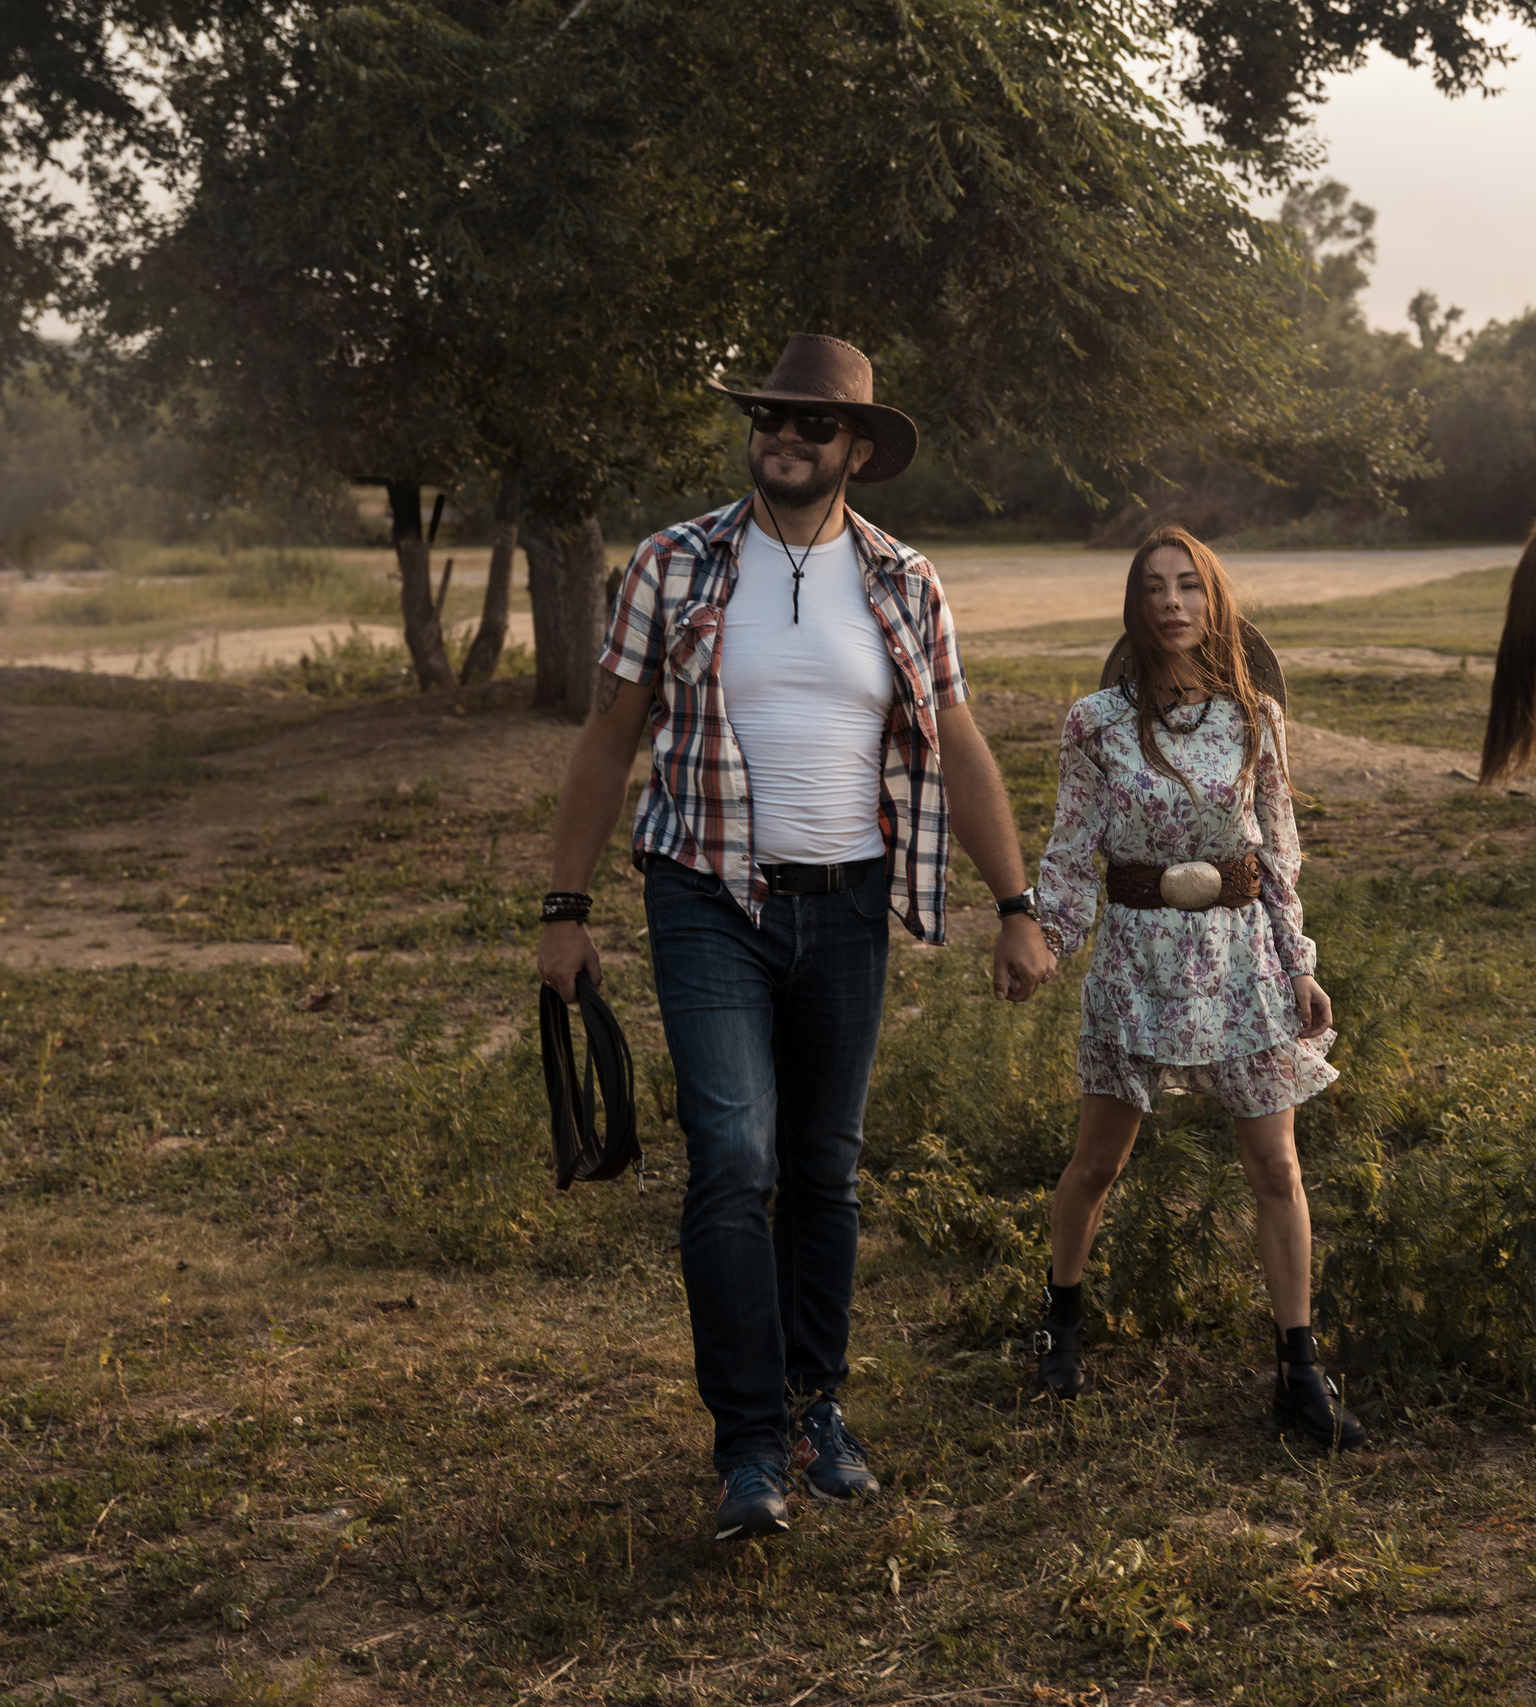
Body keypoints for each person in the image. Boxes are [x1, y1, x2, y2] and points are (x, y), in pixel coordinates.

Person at [537, 333, 1058, 1542]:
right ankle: (747, 1446)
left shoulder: (903, 582)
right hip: (707, 894)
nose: (784, 436)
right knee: (733, 1155)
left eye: (812, 424)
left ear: (857, 451)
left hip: (848, 903)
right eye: (769, 416)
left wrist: (1014, 902)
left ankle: (818, 1406)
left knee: (823, 1165)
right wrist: (564, 910)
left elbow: (960, 746)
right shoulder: (673, 562)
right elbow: (609, 741)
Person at [1028, 526, 1367, 1450]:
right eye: (1154, 587)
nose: (1172, 602)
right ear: (1135, 606)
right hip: (1138, 961)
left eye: (1190, 586)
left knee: (1278, 1166)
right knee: (1098, 1163)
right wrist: (1041, 935)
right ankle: (1059, 1326)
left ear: (1214, 602)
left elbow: (1279, 851)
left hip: (1244, 961)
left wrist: (1301, 964)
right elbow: (1069, 849)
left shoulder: (1255, 718)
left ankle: (1298, 1370)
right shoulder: (1094, 722)